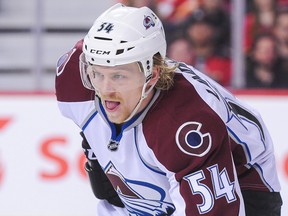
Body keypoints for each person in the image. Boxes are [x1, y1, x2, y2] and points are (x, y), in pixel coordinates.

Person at [55, 3, 282, 215]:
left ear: (152, 75)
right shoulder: (75, 79)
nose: (105, 90)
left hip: (243, 180)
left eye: (119, 76)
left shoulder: (186, 123)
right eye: (97, 74)